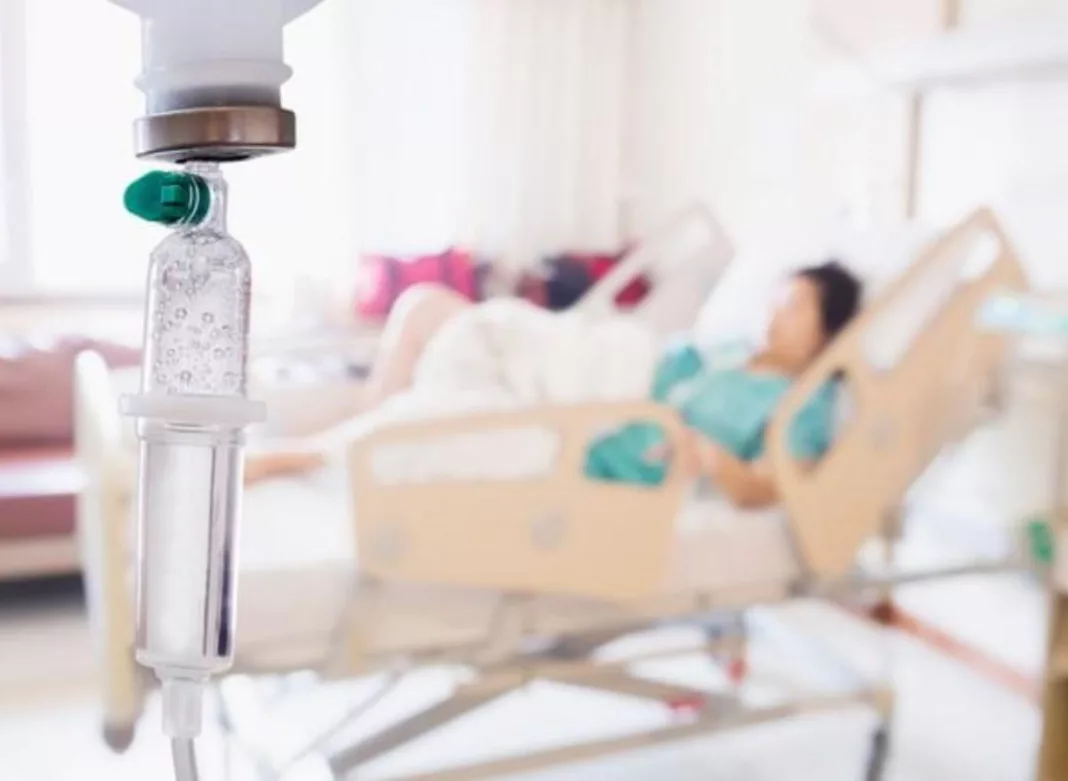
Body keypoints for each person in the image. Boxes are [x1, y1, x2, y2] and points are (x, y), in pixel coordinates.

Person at [246, 261, 863, 509]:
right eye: (775, 299)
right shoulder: (730, 349)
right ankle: (351, 430)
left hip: (611, 431)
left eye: (794, 306)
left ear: (827, 331)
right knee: (445, 313)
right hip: (612, 367)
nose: (773, 314)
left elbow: (766, 489)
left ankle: (308, 454)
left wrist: (708, 455)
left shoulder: (803, 406)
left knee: (466, 426)